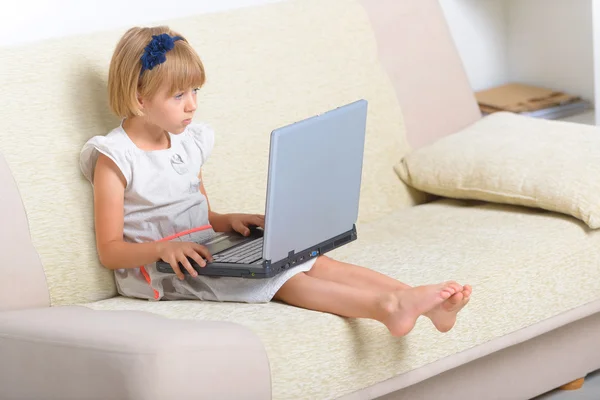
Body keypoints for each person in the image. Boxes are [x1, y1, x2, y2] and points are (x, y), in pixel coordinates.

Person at [80, 26, 471, 337]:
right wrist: (163, 250)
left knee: (310, 259)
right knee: (283, 278)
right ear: (139, 96)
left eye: (195, 90)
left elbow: (199, 213)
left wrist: (228, 220)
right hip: (160, 272)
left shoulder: (188, 141)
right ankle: (387, 308)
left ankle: (411, 298)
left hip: (205, 250)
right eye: (178, 94)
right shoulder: (116, 159)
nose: (192, 104)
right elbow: (111, 251)